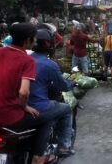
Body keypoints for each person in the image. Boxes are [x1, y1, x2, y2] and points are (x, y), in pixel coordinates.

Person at [0, 23, 54, 164]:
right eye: (33, 38)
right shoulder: (27, 60)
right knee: (47, 118)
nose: (34, 41)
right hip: (9, 116)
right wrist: (24, 107)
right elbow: (23, 92)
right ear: (28, 40)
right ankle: (38, 157)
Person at [29, 29, 75, 157]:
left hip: (19, 104)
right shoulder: (50, 65)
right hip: (37, 105)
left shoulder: (25, 59)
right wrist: (72, 83)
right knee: (66, 109)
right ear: (49, 45)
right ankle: (64, 147)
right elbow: (64, 86)